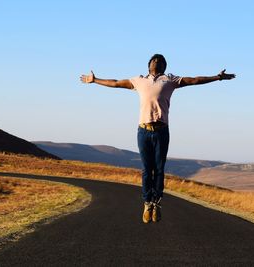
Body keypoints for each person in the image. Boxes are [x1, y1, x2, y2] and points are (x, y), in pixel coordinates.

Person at [80, 54, 236, 223]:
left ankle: (157, 203)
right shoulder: (138, 81)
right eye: (154, 60)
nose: (157, 61)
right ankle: (148, 203)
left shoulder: (170, 80)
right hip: (143, 131)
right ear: (149, 65)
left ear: (164, 66)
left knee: (159, 169)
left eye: (160, 61)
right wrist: (95, 80)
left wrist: (217, 77)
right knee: (147, 170)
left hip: (161, 131)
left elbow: (194, 80)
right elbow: (116, 83)